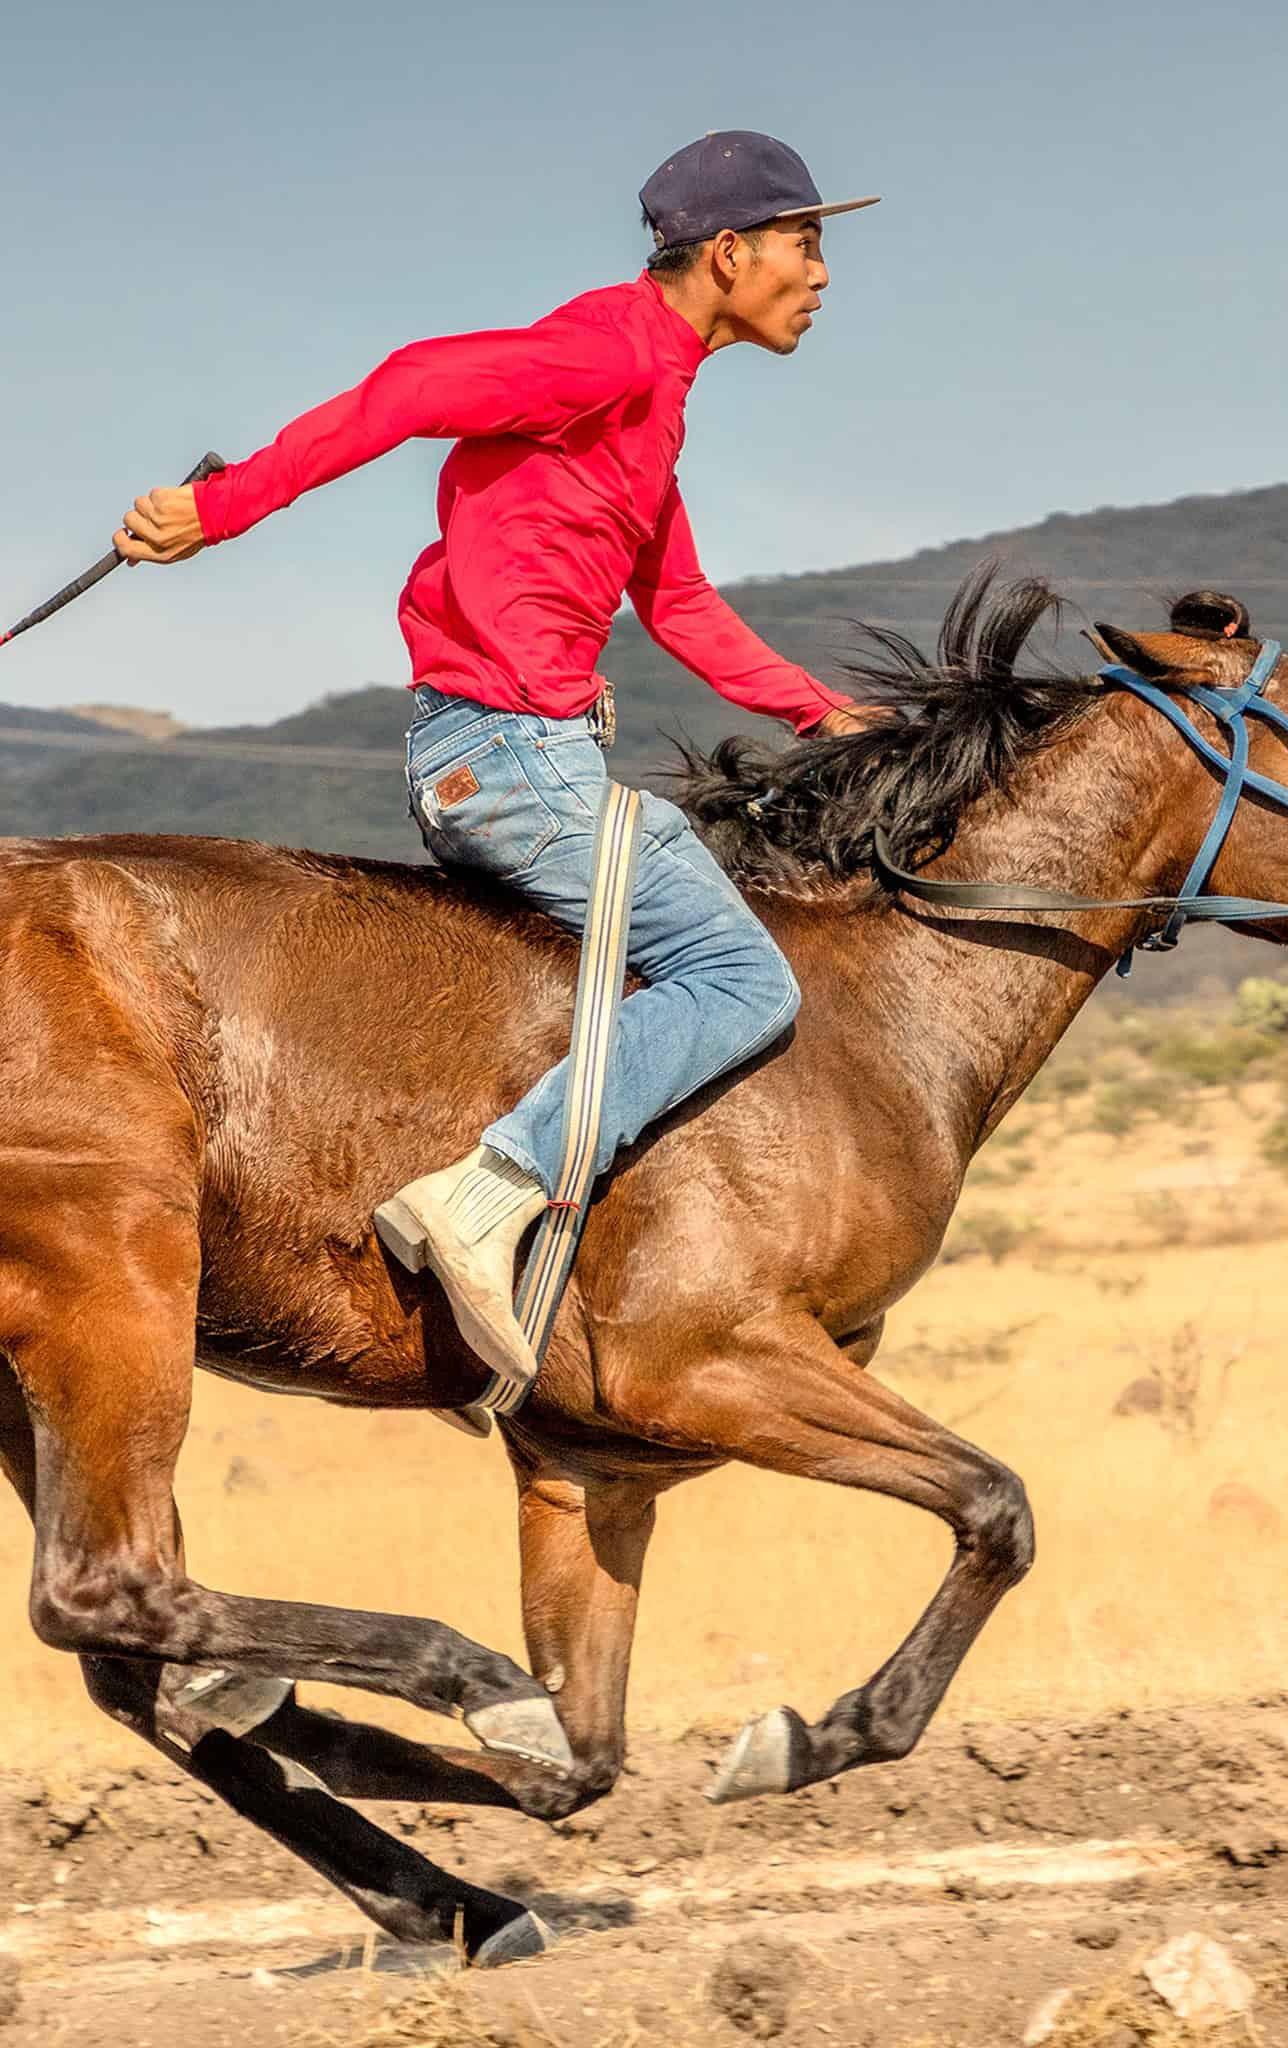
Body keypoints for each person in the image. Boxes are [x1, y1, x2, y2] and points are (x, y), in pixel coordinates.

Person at [113, 131, 885, 1423]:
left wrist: (820, 712)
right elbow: (413, 384)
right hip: (511, 757)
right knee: (743, 976)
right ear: (732, 253)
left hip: (524, 754)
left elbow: (679, 601)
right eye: (808, 246)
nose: (822, 275)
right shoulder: (606, 351)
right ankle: (483, 1199)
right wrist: (223, 508)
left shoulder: (655, 401)